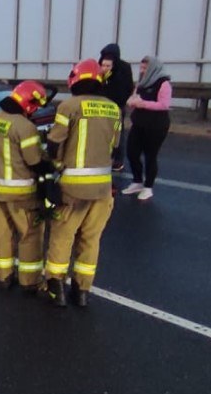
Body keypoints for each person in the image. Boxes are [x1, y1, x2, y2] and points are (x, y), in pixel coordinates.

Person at [43, 59, 121, 308]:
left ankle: (56, 289)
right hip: (102, 189)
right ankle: (82, 291)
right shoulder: (113, 108)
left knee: (62, 238)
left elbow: (55, 143)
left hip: (73, 190)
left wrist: (50, 168)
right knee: (91, 240)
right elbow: (115, 146)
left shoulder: (69, 106)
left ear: (75, 79)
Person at [0, 81, 50, 292]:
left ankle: (4, 277)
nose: (35, 110)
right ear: (29, 103)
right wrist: (49, 165)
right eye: (35, 106)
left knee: (3, 232)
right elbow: (34, 161)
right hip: (20, 193)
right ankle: (29, 281)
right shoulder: (25, 126)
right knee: (30, 234)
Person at [123, 55, 173, 201]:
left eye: (145, 68)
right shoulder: (141, 83)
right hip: (139, 123)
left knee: (150, 155)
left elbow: (164, 105)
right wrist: (132, 101)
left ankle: (148, 187)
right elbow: (133, 97)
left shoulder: (163, 83)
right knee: (132, 152)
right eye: (141, 68)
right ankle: (137, 181)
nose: (142, 71)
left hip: (156, 125)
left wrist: (143, 103)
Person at [99, 43, 133, 173]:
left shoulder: (123, 68)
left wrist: (120, 102)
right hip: (101, 106)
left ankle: (118, 160)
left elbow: (127, 87)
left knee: (118, 134)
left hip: (116, 106)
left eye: (108, 65)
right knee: (101, 133)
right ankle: (104, 157)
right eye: (103, 65)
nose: (105, 68)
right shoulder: (99, 67)